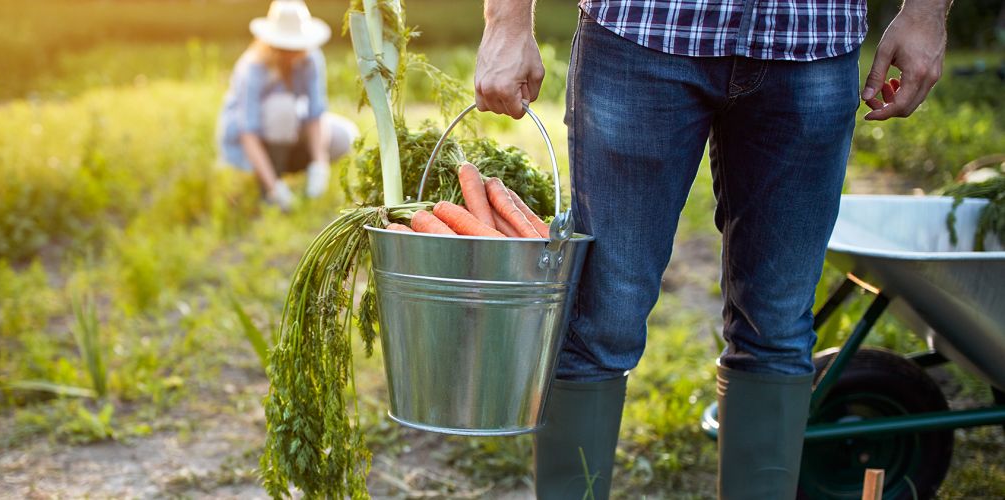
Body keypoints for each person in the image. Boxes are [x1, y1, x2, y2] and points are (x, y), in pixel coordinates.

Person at [474, 0, 950, 498]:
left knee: (779, 328)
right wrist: (506, 20)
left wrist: (926, 12)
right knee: (599, 323)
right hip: (641, 31)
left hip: (812, 37)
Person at [216, 0, 358, 212]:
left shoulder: (311, 60)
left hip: (288, 131)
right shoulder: (253, 68)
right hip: (251, 146)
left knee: (344, 135)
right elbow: (248, 133)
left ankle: (303, 182)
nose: (292, 53)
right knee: (281, 108)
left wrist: (320, 164)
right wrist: (274, 186)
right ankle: (271, 186)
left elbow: (315, 114)